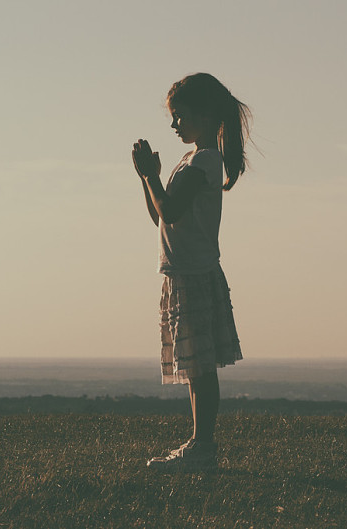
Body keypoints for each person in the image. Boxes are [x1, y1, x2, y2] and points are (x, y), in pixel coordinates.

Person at [132, 72, 250, 472]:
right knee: (195, 367)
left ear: (203, 114)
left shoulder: (204, 160)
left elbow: (171, 210)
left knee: (200, 367)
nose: (174, 124)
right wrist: (146, 179)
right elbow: (160, 217)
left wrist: (150, 174)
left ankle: (203, 446)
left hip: (194, 274)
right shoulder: (191, 160)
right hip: (183, 272)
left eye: (179, 116)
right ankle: (200, 444)